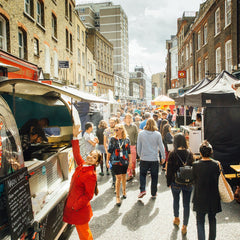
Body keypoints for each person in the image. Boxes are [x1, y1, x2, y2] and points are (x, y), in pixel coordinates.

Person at [63, 125, 102, 240]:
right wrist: (75, 137)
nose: (90, 157)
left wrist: (76, 206)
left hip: (79, 209)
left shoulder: (91, 175)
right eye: (91, 154)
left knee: (84, 234)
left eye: (94, 157)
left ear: (96, 162)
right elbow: (76, 154)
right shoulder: (82, 165)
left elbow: (89, 195)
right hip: (74, 207)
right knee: (83, 233)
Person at [192, 141, 222, 240]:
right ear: (211, 152)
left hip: (200, 196)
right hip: (213, 196)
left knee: (200, 221)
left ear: (200, 152)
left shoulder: (195, 165)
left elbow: (193, 180)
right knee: (212, 219)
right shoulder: (216, 165)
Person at [166, 133, 195, 235]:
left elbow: (169, 170)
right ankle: (185, 225)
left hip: (176, 181)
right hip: (188, 183)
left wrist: (168, 182)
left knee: (176, 200)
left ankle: (176, 218)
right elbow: (193, 169)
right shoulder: (189, 153)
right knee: (186, 204)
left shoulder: (173, 154)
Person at [137, 118, 165, 199]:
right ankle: (153, 192)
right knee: (154, 176)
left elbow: (139, 146)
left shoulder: (141, 134)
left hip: (144, 158)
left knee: (142, 175)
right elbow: (161, 146)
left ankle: (142, 190)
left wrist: (139, 155)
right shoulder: (157, 134)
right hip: (154, 158)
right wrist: (163, 157)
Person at [107, 124, 132, 206]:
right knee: (118, 178)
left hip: (124, 161)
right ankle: (117, 196)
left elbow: (129, 152)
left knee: (124, 176)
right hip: (115, 161)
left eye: (117, 130)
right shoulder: (113, 139)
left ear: (121, 130)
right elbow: (109, 151)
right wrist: (107, 161)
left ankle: (124, 191)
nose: (115, 131)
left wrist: (130, 162)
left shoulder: (126, 139)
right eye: (115, 130)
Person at [124, 113, 138, 181]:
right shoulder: (123, 126)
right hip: (125, 146)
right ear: (125, 119)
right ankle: (129, 174)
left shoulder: (134, 126)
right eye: (127, 118)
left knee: (133, 160)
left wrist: (135, 142)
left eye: (129, 118)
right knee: (127, 160)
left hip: (132, 145)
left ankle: (133, 168)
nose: (128, 119)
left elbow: (136, 135)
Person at [104, 118, 117, 189]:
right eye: (110, 122)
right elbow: (105, 141)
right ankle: (114, 181)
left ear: (115, 122)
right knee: (111, 166)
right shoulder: (106, 130)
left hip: (118, 151)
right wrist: (106, 150)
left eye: (112, 122)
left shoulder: (117, 129)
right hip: (110, 151)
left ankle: (117, 180)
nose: (111, 124)